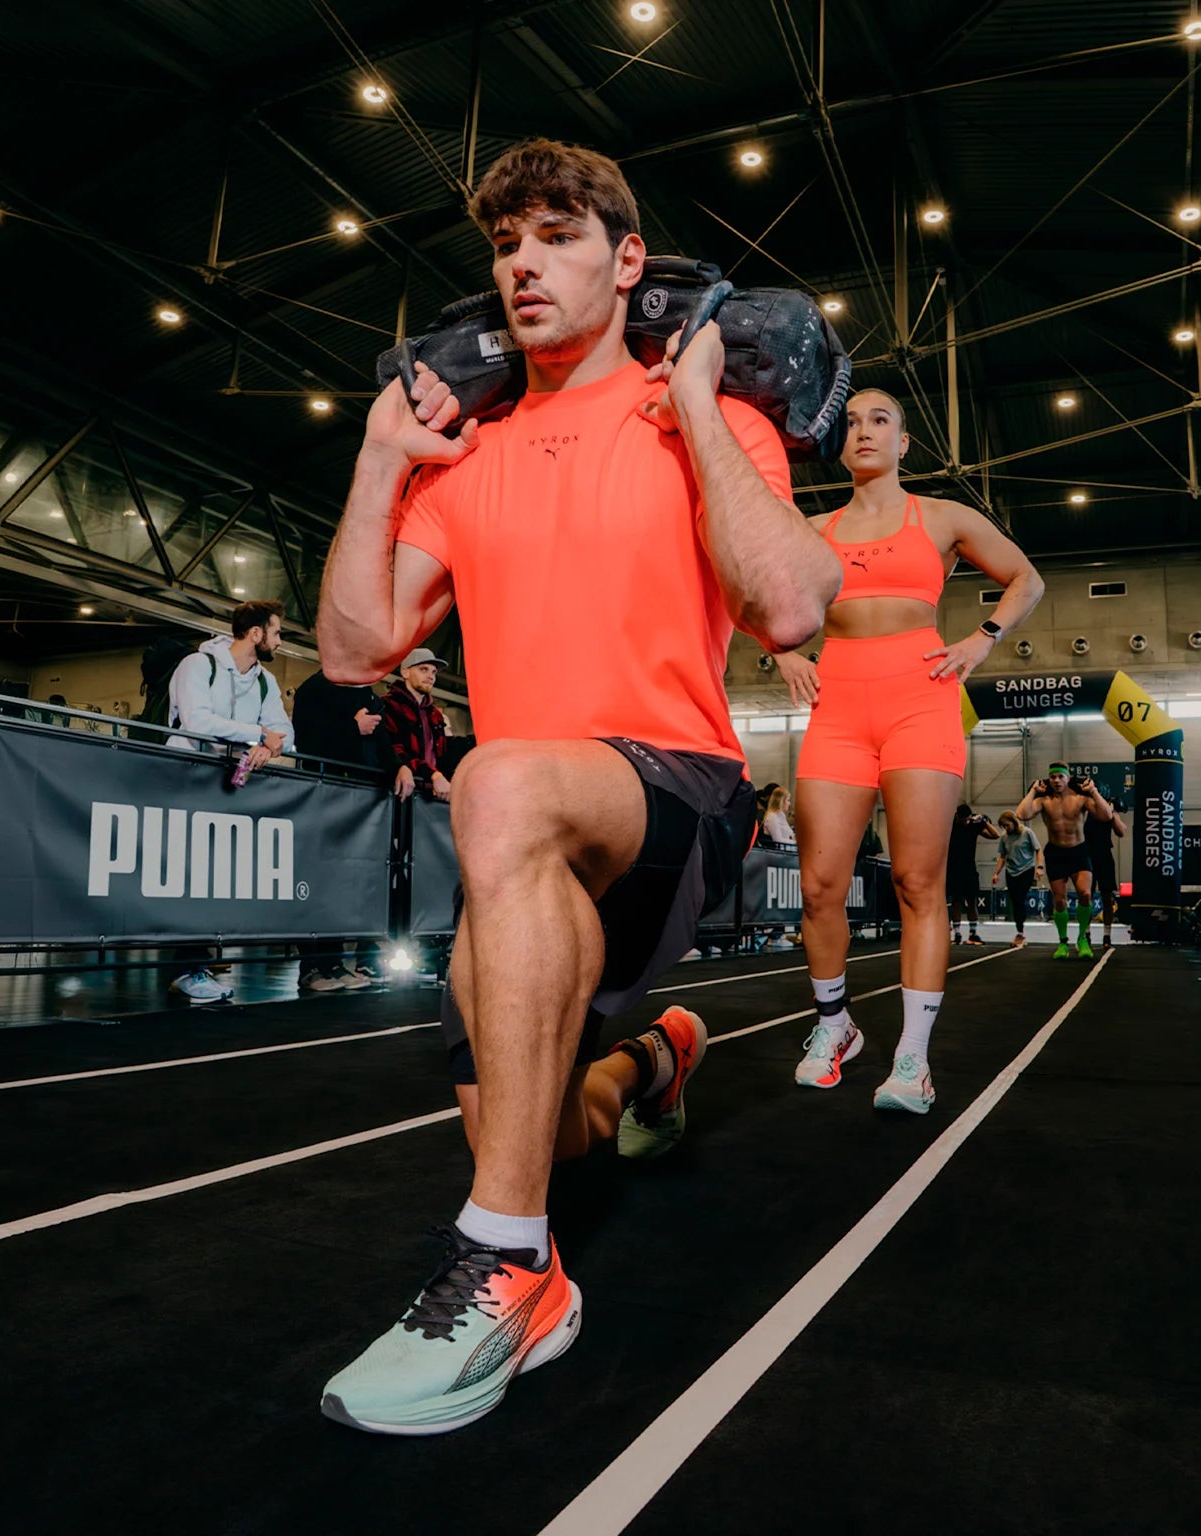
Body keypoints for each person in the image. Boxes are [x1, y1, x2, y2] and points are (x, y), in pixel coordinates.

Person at [313, 138, 840, 1434]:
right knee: (542, 1131)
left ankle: (514, 1269)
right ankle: (652, 1065)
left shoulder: (709, 421)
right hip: (529, 827)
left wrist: (701, 404)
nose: (524, 265)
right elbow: (353, 652)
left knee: (492, 780)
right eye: (506, 245)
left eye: (557, 236)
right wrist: (380, 461)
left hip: (677, 794)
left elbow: (788, 605)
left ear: (628, 260)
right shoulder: (467, 456)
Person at [776, 389, 1043, 1105]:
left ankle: (912, 1059)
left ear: (903, 443)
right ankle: (835, 1027)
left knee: (917, 883)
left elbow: (1027, 578)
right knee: (821, 887)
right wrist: (781, 650)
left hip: (920, 700)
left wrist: (981, 640)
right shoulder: (810, 528)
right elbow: (742, 587)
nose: (863, 431)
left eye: (880, 420)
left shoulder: (943, 517)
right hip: (837, 706)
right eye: (850, 422)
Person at [164, 600, 295, 1002]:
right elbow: (197, 721)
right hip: (183, 779)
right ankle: (186, 967)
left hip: (228, 787)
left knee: (212, 877)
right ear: (255, 634)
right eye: (276, 632)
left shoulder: (265, 680)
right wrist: (257, 734)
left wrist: (267, 746)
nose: (279, 641)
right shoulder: (197, 665)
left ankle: (195, 966)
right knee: (183, 875)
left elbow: (286, 733)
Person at [290, 669, 393, 991]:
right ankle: (312, 967)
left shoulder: (366, 692)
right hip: (324, 795)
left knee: (344, 885)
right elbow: (305, 738)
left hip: (359, 799)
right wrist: (352, 727)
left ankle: (333, 963)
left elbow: (380, 743)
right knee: (319, 881)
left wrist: (399, 767)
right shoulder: (315, 688)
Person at [1013, 765, 1114, 959]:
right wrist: (1033, 790)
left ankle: (1082, 939)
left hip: (1079, 852)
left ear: (1068, 778)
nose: (1057, 781)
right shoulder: (1044, 801)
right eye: (1053, 777)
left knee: (1085, 894)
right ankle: (1063, 942)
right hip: (1056, 853)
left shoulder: (1081, 798)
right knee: (1060, 901)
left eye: (1061, 777)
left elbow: (1106, 815)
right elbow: (1021, 814)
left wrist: (1093, 791)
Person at [382, 647, 454, 802]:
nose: (430, 676)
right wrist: (433, 774)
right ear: (405, 673)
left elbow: (443, 754)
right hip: (398, 794)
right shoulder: (389, 705)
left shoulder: (435, 714)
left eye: (434, 672)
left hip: (431, 795)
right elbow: (394, 749)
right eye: (423, 669)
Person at [946, 803, 999, 945]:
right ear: (957, 817)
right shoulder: (950, 825)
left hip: (969, 869)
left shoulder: (973, 826)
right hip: (953, 869)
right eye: (964, 819)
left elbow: (995, 835)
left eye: (968, 819)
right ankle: (957, 933)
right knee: (956, 902)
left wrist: (984, 821)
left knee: (972, 902)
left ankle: (973, 933)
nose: (966, 822)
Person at [991, 808, 1043, 949]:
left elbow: (1038, 850)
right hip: (1011, 871)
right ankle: (1019, 931)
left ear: (1014, 822)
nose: (1006, 828)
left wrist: (1039, 867)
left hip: (1026, 870)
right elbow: (1002, 857)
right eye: (1004, 826)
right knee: (1015, 902)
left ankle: (1020, 933)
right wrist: (996, 873)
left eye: (1007, 825)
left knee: (1019, 899)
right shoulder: (1004, 837)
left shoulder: (1027, 833)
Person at [1083, 793, 1127, 948]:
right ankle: (1086, 934)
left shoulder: (1109, 812)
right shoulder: (1086, 807)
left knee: (1107, 898)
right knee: (1085, 897)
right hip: (1087, 856)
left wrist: (1112, 812)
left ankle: (1107, 936)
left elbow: (1121, 832)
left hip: (1104, 856)